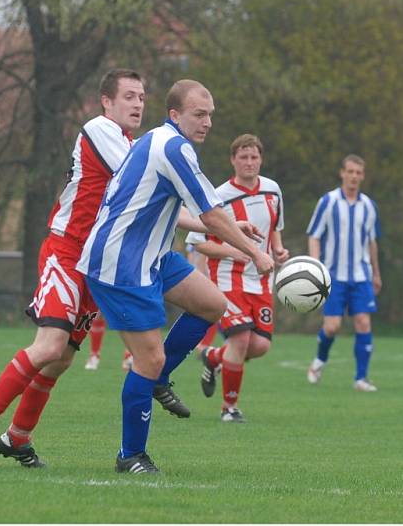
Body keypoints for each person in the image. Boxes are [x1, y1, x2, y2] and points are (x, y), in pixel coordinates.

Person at [77, 80, 274, 474]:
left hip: (151, 256)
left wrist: (232, 227)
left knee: (213, 304)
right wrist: (255, 252)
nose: (208, 122)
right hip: (121, 263)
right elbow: (209, 214)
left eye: (211, 115)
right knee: (148, 357)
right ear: (174, 115)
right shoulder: (173, 147)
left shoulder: (160, 141)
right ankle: (130, 455)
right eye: (199, 115)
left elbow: (197, 212)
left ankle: (159, 379)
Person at [0, 69, 148, 467]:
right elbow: (143, 184)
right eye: (129, 96)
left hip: (93, 261)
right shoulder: (99, 129)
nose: (137, 104)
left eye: (142, 98)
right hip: (66, 251)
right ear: (106, 102)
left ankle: (18, 439)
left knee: (60, 360)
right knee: (50, 345)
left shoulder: (130, 144)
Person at [188, 134, 289, 422]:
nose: (248, 162)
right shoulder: (218, 196)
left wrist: (278, 250)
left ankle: (213, 358)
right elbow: (198, 243)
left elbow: (275, 228)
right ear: (233, 160)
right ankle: (229, 408)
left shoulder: (273, 190)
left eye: (254, 157)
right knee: (241, 340)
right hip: (227, 280)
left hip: (262, 280)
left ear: (261, 159)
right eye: (243, 157)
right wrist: (234, 252)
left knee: (260, 346)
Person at [305, 154, 382, 392]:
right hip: (333, 276)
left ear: (363, 176)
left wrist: (376, 273)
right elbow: (314, 234)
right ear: (342, 173)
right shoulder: (328, 202)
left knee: (363, 322)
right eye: (350, 172)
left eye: (358, 173)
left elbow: (371, 242)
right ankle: (319, 361)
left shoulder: (369, 206)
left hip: (360, 276)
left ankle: (361, 378)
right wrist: (316, 267)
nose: (354, 177)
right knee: (332, 326)